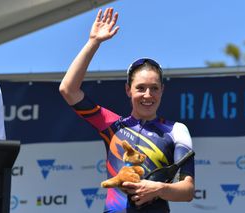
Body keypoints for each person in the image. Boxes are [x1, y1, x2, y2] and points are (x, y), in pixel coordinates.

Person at [59, 7, 195, 213]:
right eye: (140, 88)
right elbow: (68, 90)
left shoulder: (176, 130)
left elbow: (187, 190)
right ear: (128, 90)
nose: (148, 95)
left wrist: (159, 188)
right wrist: (93, 42)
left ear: (162, 90)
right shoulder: (112, 125)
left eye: (154, 88)